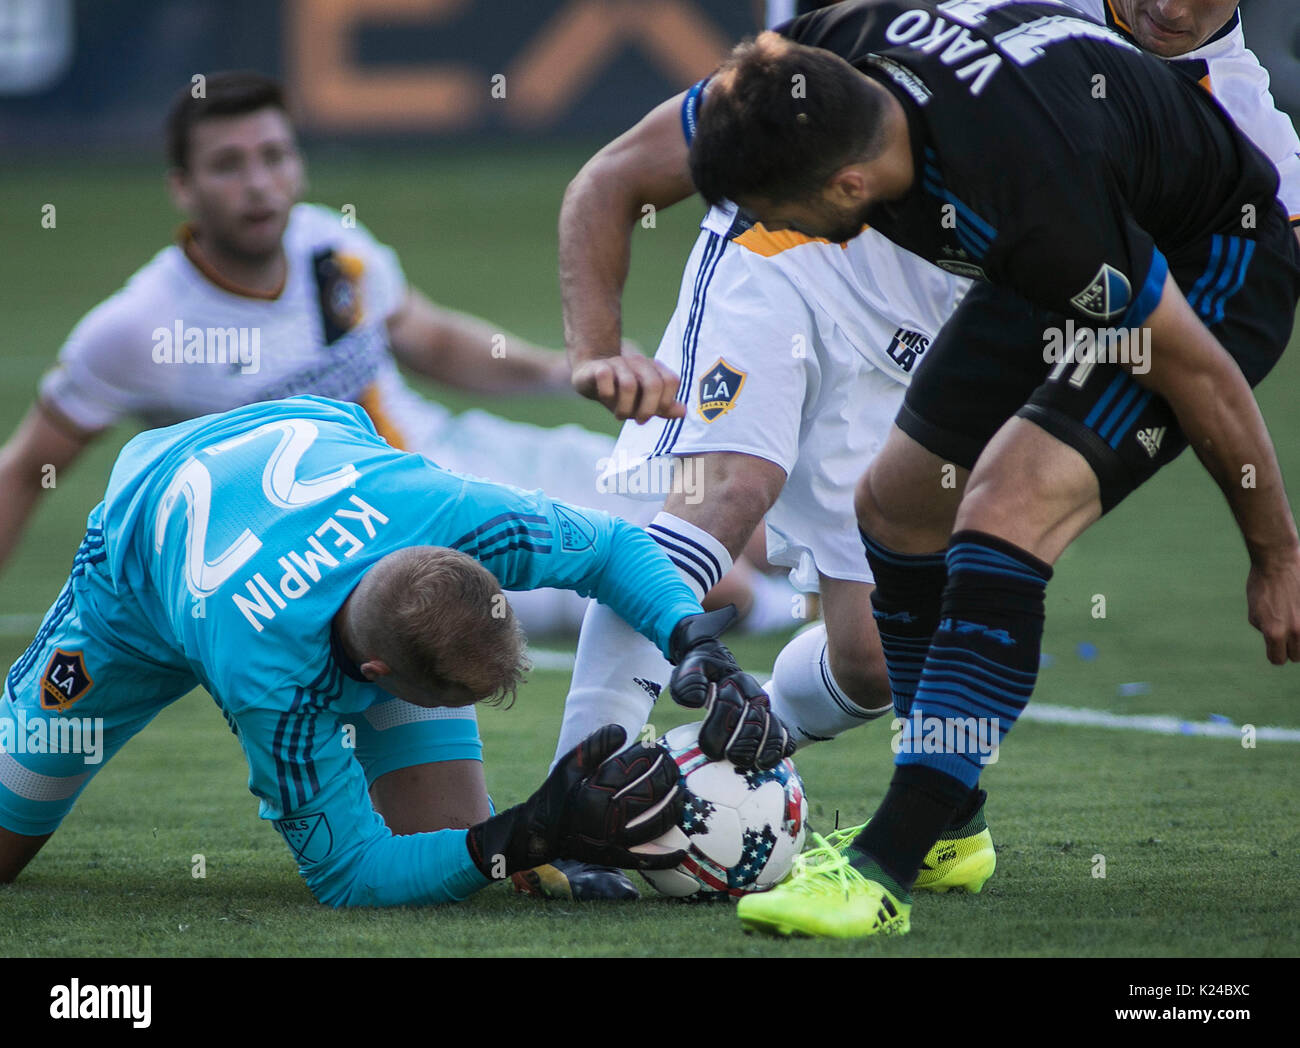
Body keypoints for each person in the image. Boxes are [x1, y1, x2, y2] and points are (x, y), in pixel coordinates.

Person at [553, 0, 1300, 903]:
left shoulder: (1157, 156)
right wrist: (597, 349)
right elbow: (615, 177)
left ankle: (765, 751)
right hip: (794, 250)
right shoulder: (838, 56)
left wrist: (1275, 553)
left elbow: (1201, 361)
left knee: (869, 660)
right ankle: (580, 809)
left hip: (960, 313)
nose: (1170, 8)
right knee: (726, 494)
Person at [0, 72, 790, 640]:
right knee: (713, 582)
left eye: (274, 156)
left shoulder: (330, 246)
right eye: (228, 164)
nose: (260, 183)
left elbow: (432, 339)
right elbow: (25, 467)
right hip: (397, 544)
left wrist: (563, 368)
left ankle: (862, 616)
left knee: (721, 496)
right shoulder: (137, 328)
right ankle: (847, 651)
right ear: (182, 187)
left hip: (466, 452)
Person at [0, 395, 789, 905]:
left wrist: (691, 639)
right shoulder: (269, 677)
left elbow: (616, 546)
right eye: (460, 695)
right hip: (132, 579)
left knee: (440, 847)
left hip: (298, 440)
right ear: (379, 678)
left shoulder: (448, 510)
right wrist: (521, 834)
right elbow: (350, 877)